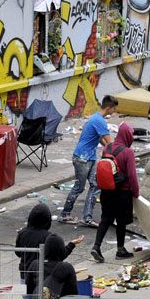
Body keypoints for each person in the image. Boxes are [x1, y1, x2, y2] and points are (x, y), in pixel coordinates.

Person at [15, 203, 83, 299]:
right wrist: (71, 245)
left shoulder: (23, 233)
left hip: (24, 275)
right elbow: (59, 256)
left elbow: (18, 252)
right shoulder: (48, 237)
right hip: (42, 278)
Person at [59, 96, 118, 226]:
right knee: (79, 187)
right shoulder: (99, 121)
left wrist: (108, 151)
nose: (114, 111)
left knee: (95, 185)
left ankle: (87, 218)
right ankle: (65, 215)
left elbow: (102, 140)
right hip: (82, 158)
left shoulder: (96, 118)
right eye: (114, 108)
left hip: (89, 157)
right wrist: (120, 151)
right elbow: (109, 141)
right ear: (108, 108)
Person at [91, 123, 140, 263]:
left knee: (105, 218)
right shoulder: (128, 152)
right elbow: (132, 176)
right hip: (122, 193)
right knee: (121, 221)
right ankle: (120, 249)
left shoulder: (107, 147)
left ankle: (96, 246)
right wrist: (136, 193)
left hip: (106, 191)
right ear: (127, 136)